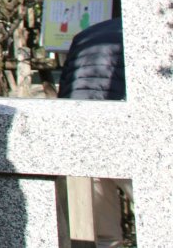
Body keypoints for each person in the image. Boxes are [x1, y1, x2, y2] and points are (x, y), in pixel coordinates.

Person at [58, 17, 131, 247]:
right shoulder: (150, 32)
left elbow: (66, 89)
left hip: (83, 134)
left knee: (103, 233)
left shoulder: (86, 35)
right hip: (126, 133)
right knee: (161, 210)